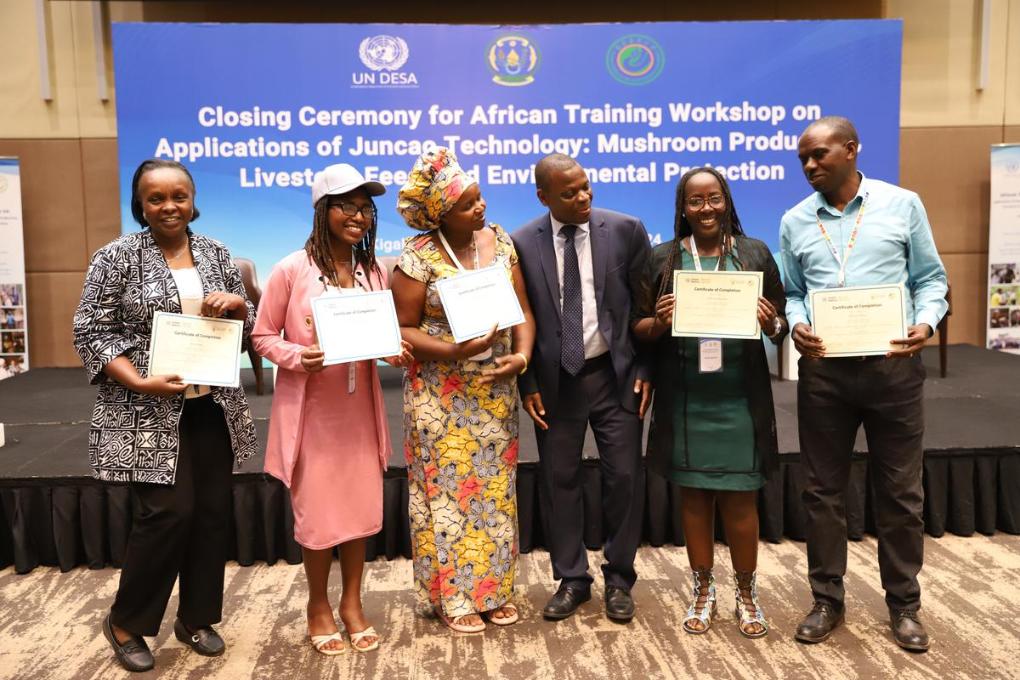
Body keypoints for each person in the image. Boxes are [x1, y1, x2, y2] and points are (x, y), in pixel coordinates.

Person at [72, 159, 258, 672]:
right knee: (167, 515)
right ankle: (126, 623)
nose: (169, 206)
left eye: (179, 196)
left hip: (212, 405)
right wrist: (138, 380)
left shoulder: (216, 252)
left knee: (211, 514)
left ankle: (196, 618)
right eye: (156, 198)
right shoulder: (116, 257)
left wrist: (240, 309)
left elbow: (245, 331)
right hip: (145, 409)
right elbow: (91, 332)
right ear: (140, 205)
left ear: (193, 201)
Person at [780, 116, 947, 652]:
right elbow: (793, 292)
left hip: (892, 369)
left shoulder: (903, 205)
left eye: (819, 155)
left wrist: (926, 323)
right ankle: (826, 599)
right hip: (824, 372)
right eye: (803, 158)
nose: (809, 165)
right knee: (821, 491)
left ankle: (904, 605)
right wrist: (797, 322)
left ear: (851, 150)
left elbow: (931, 279)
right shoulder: (794, 220)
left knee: (900, 491)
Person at [251, 164, 413, 655]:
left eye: (365, 208)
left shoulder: (373, 271)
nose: (358, 217)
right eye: (347, 206)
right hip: (313, 416)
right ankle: (318, 606)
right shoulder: (290, 269)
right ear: (323, 210)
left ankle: (352, 604)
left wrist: (392, 351)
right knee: (319, 517)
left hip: (358, 413)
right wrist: (296, 356)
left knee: (359, 510)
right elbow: (262, 336)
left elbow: (381, 335)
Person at [632, 167, 787, 638]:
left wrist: (770, 322)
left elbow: (780, 323)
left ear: (727, 201)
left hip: (739, 398)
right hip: (686, 399)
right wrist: (659, 322)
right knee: (695, 499)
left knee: (741, 500)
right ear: (682, 207)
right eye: (695, 201)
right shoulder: (662, 258)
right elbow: (637, 328)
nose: (706, 209)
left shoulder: (754, 253)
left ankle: (747, 593)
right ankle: (703, 591)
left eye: (714, 198)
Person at [391, 148, 536, 633]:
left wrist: (522, 356)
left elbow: (523, 310)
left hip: (494, 388)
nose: (481, 207)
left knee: (494, 493)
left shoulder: (500, 240)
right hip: (439, 391)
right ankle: (452, 597)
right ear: (440, 213)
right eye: (467, 203)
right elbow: (402, 328)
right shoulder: (418, 256)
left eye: (479, 197)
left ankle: (494, 592)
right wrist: (453, 351)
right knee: (447, 494)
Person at [512, 153, 652, 623]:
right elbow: (520, 317)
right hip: (557, 381)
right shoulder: (521, 243)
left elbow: (644, 307)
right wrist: (528, 381)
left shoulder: (626, 229)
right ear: (544, 197)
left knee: (625, 477)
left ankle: (620, 579)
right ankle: (572, 578)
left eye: (586, 187)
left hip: (615, 375)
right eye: (569, 193)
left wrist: (645, 367)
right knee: (559, 480)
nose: (583, 197)